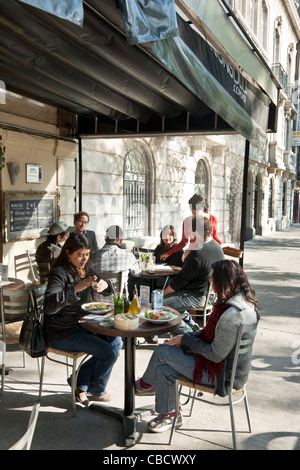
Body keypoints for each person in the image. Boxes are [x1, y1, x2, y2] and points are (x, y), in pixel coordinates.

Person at [134, 259, 260, 433]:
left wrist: (186, 341)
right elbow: (209, 334)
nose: (209, 281)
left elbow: (215, 354)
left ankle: (144, 385)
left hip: (224, 376)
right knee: (164, 370)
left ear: (223, 280)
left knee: (163, 351)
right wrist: (183, 338)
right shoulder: (243, 303)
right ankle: (171, 414)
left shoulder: (231, 314)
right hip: (230, 370)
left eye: (213, 277)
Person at [43, 233, 122, 406]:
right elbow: (48, 306)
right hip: (61, 331)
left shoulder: (86, 268)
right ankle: (97, 389)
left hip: (82, 324)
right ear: (68, 253)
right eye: (80, 255)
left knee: (117, 343)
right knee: (108, 352)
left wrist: (105, 285)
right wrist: (75, 289)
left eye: (87, 254)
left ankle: (79, 382)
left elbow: (104, 284)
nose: (84, 258)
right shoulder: (59, 273)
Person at [163, 216, 224, 333]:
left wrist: (161, 295)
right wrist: (186, 258)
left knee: (161, 305)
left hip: (198, 295)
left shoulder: (198, 254)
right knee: (171, 302)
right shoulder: (216, 247)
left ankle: (189, 334)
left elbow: (179, 282)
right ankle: (192, 325)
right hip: (212, 293)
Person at [160, 194, 222, 263]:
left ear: (202, 208)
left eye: (196, 213)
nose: (194, 215)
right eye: (192, 210)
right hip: (194, 254)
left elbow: (214, 237)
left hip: (209, 254)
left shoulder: (212, 219)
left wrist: (222, 247)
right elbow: (183, 242)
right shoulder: (187, 221)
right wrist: (168, 253)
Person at [90, 225, 140, 289]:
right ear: (120, 240)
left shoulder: (92, 258)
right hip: (119, 298)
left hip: (96, 298)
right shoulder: (128, 256)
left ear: (105, 239)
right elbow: (137, 273)